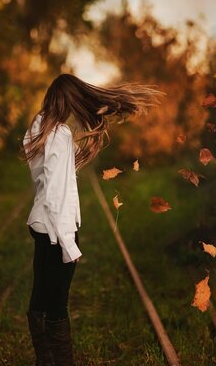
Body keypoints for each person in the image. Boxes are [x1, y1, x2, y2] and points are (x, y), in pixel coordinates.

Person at [19, 73, 164, 366]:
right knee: (58, 304)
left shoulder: (38, 128)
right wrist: (69, 245)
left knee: (41, 299)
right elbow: (57, 195)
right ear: (70, 100)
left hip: (40, 224)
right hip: (55, 230)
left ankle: (44, 361)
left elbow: (46, 182)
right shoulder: (58, 134)